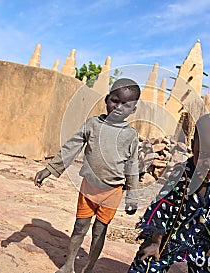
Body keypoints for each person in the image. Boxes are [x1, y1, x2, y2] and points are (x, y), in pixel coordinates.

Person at [34, 78, 141, 273]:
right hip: (89, 187)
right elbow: (71, 148)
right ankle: (68, 265)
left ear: (133, 109)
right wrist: (49, 169)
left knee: (99, 231)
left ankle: (89, 268)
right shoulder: (92, 125)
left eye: (126, 105)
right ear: (107, 99)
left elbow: (132, 166)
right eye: (114, 100)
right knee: (79, 227)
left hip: (112, 191)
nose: (118, 107)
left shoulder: (131, 135)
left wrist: (132, 196)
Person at [128, 113, 210, 273]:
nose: (209, 163)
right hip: (178, 235)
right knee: (145, 264)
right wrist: (154, 242)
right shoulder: (182, 173)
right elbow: (162, 207)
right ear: (193, 146)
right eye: (203, 154)